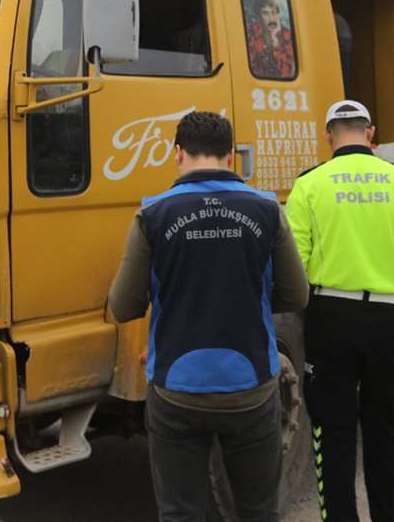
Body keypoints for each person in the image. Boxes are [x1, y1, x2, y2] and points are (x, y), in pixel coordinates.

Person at [108, 111, 309, 522]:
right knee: (258, 511)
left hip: (176, 390)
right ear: (230, 156)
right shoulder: (268, 210)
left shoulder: (153, 215)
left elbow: (123, 305)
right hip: (252, 388)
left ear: (177, 153)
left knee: (180, 512)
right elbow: (295, 294)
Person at [286, 100, 394, 522]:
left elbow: (295, 266)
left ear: (328, 134)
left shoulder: (309, 184)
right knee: (384, 429)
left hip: (330, 317)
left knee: (332, 432)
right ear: (371, 133)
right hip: (387, 319)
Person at [246, 0, 295, 79]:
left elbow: (285, 73)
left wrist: (275, 42)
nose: (271, 18)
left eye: (273, 12)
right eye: (265, 13)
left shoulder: (287, 35)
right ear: (259, 15)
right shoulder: (250, 31)